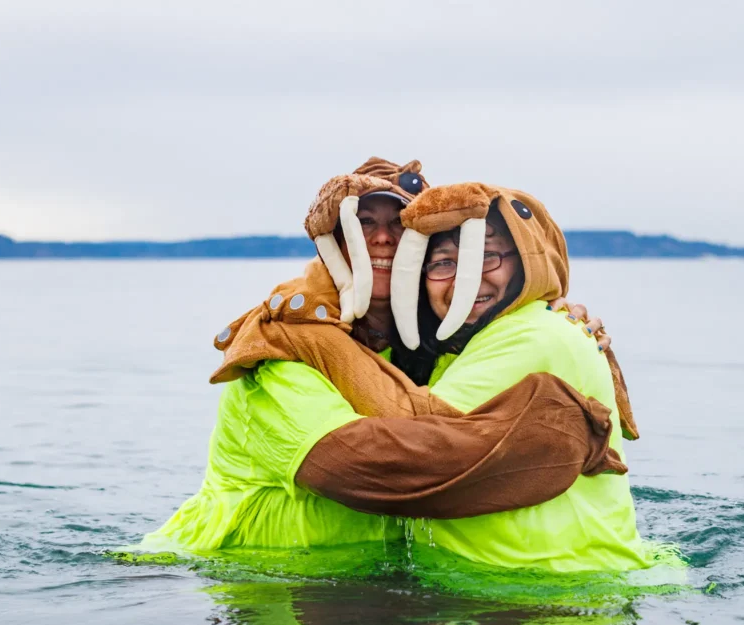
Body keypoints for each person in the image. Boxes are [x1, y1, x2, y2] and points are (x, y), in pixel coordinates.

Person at [141, 160, 626, 553]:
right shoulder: (278, 349)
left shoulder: (436, 347)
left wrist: (551, 318)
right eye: (363, 223)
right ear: (334, 243)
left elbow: (442, 424)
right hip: (234, 576)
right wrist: (562, 434)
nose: (382, 239)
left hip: (358, 588)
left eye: (400, 224)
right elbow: (362, 466)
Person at [272, 181, 674, 573]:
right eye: (444, 262)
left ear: (526, 262)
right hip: (491, 587)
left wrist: (306, 335)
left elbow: (414, 435)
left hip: (565, 590)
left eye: (487, 256)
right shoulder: (450, 350)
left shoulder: (536, 334)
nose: (468, 278)